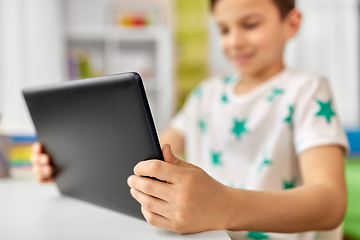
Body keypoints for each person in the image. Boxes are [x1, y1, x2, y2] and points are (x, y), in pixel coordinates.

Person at [30, 0, 348, 239]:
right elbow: (148, 157)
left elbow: (331, 204)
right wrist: (71, 162)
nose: (234, 41)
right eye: (223, 29)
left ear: (291, 24)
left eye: (250, 24)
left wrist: (224, 206)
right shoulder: (205, 94)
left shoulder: (307, 90)